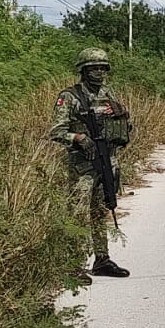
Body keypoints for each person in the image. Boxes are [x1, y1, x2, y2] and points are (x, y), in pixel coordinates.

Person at [49, 47, 133, 281]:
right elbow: (56, 132)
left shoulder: (108, 93)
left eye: (103, 68)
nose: (99, 72)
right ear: (83, 70)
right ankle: (73, 265)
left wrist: (122, 113)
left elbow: (120, 123)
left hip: (107, 160)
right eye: (93, 68)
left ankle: (102, 259)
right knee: (77, 214)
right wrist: (78, 138)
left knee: (100, 211)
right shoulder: (70, 96)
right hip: (83, 166)